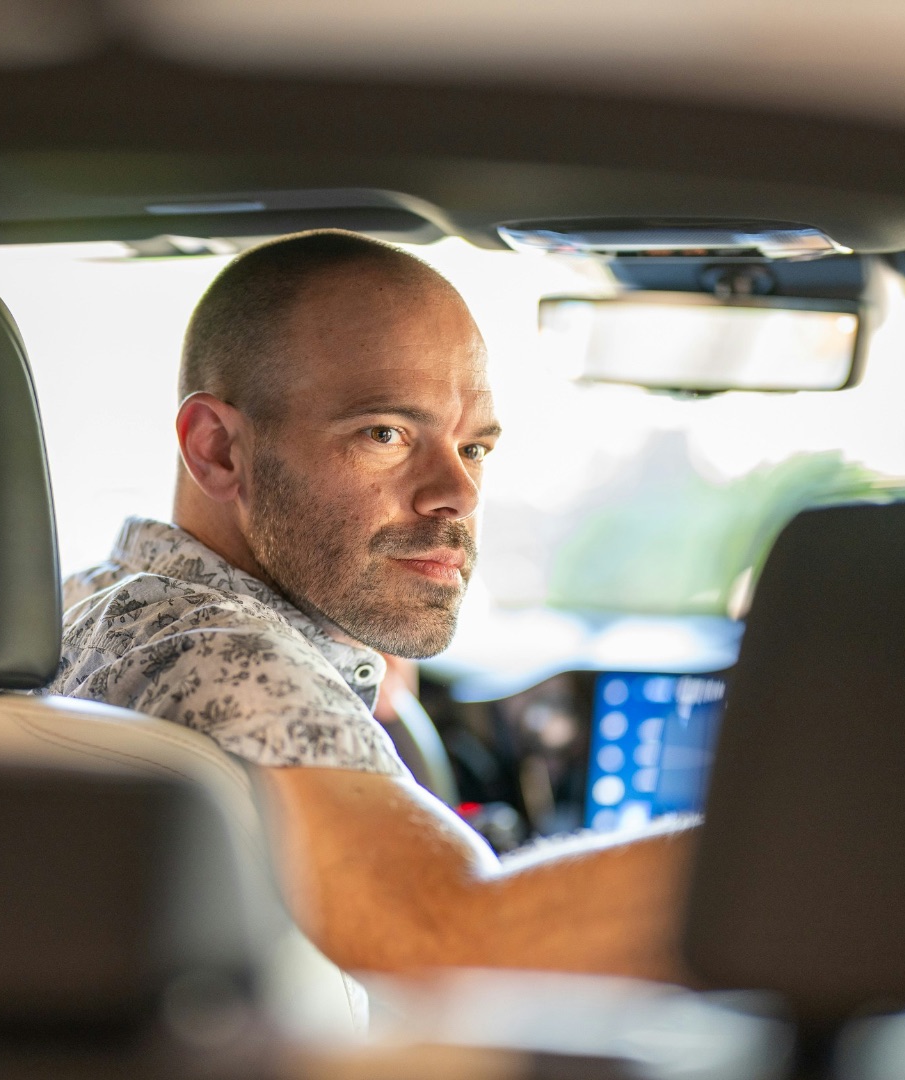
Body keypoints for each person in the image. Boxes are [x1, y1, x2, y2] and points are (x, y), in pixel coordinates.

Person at [52, 230, 694, 980]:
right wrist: (814, 852)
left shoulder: (106, 597)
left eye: (474, 447)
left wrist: (348, 678)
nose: (457, 493)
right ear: (218, 450)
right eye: (386, 433)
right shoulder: (231, 659)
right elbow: (453, 942)